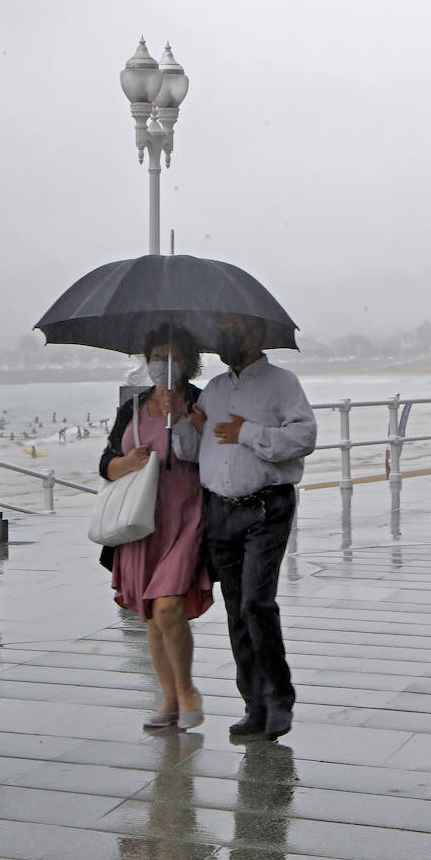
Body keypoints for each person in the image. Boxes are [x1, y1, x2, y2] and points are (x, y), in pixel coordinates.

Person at [171, 313, 316, 741]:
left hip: (266, 508)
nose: (224, 338)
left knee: (257, 602)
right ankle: (252, 703)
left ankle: (277, 700)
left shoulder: (282, 383)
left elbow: (305, 437)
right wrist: (184, 423)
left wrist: (247, 432)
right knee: (236, 610)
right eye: (220, 330)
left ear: (256, 335)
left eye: (232, 330)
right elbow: (198, 453)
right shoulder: (213, 390)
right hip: (221, 511)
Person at [99, 325, 213, 730]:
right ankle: (167, 700)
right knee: (150, 614)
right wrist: (127, 462)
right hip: (142, 521)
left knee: (168, 606)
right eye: (156, 354)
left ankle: (187, 691)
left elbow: (210, 456)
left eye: (171, 354)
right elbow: (107, 464)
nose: (162, 363)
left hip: (186, 517)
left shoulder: (201, 402)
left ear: (187, 361)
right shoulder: (131, 407)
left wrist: (181, 419)